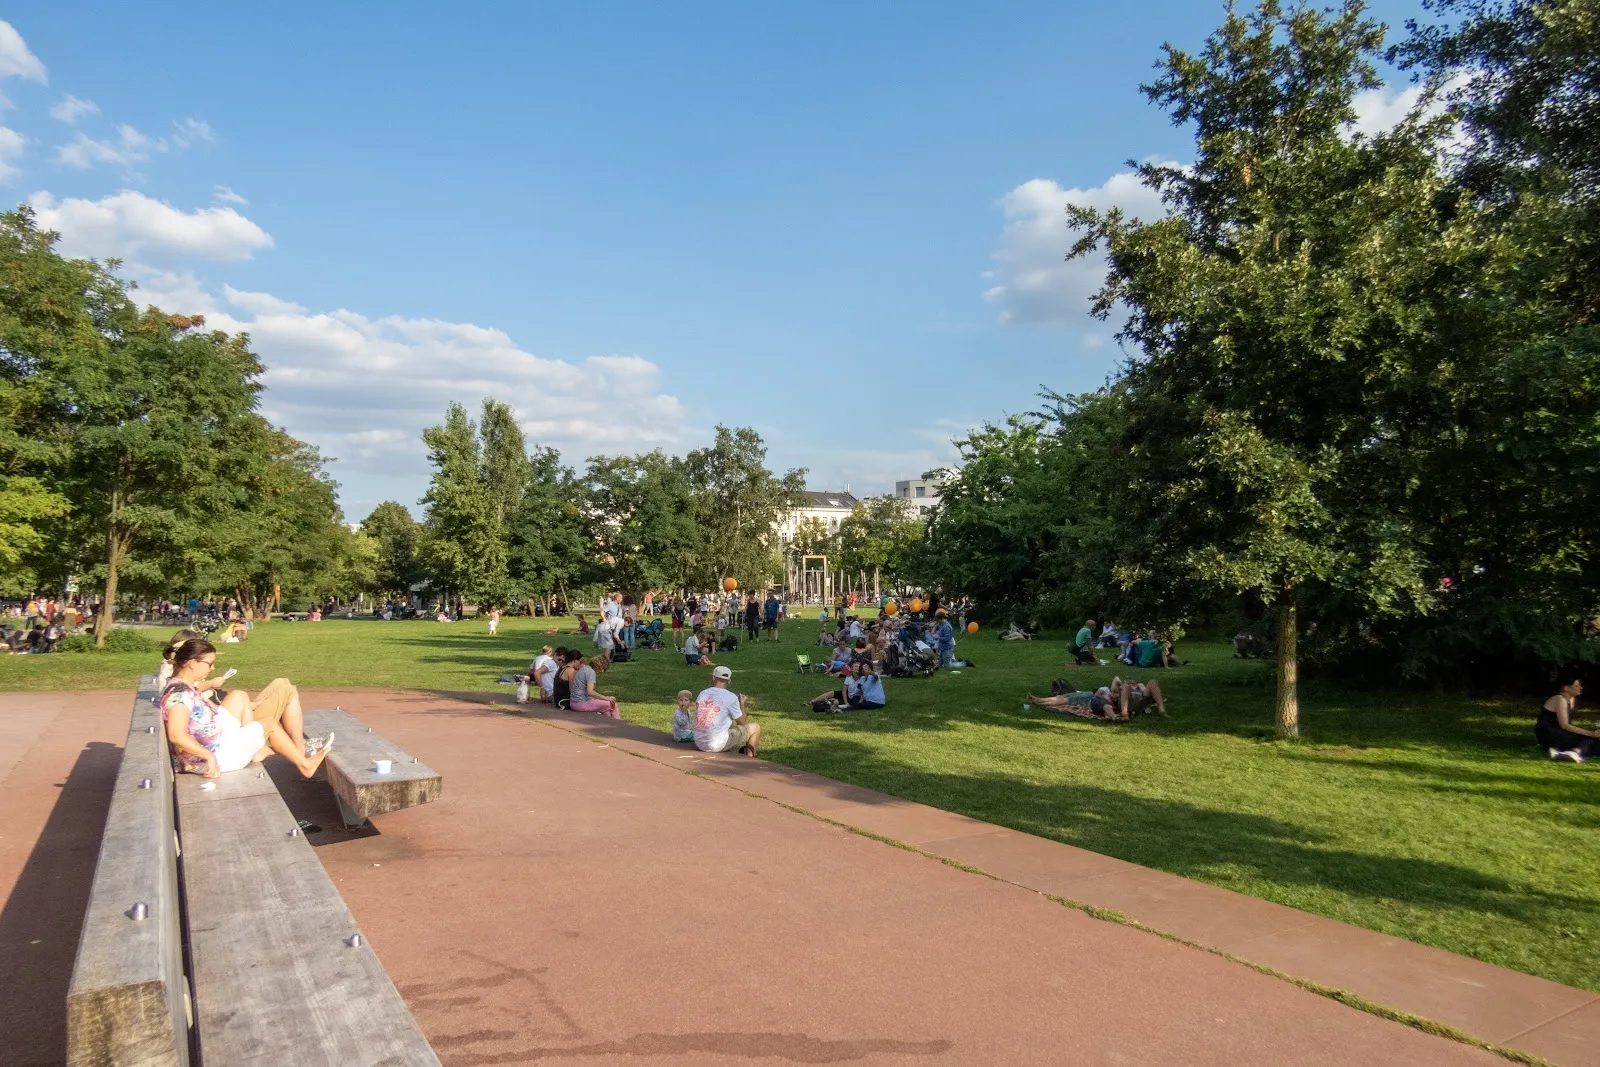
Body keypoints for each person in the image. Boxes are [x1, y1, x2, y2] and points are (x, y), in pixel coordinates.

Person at [159, 639, 331, 778]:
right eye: (209, 664)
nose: (213, 668)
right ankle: (305, 765)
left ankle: (267, 748)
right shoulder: (179, 695)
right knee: (269, 723)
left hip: (212, 746)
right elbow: (176, 734)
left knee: (240, 697)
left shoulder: (181, 686)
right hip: (212, 758)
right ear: (192, 663)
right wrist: (208, 756)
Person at [693, 665, 759, 755]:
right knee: (755, 727)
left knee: (726, 723)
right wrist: (742, 704)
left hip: (699, 742)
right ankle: (750, 759)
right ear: (729, 681)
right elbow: (742, 722)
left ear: (713, 677)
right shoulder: (731, 697)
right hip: (716, 744)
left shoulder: (703, 693)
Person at [1538, 679, 1598, 762]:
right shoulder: (1559, 699)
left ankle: (1564, 753)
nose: (1580, 687)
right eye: (1577, 686)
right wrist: (1591, 733)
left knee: (1596, 743)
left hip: (1561, 733)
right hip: (1549, 734)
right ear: (1566, 688)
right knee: (1589, 738)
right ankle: (1574, 752)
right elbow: (1564, 725)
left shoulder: (1572, 700)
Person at [809, 661, 887, 711]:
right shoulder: (850, 677)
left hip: (854, 697)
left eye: (858, 667)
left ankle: (824, 706)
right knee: (831, 693)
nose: (857, 668)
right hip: (848, 695)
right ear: (852, 669)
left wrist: (871, 672)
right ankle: (813, 701)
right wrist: (846, 702)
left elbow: (875, 677)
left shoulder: (863, 678)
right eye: (855, 666)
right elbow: (844, 690)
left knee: (836, 701)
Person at [566, 652, 619, 718]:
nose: (602, 671)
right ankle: (620, 725)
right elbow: (590, 692)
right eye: (603, 668)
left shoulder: (584, 668)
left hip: (575, 702)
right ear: (599, 665)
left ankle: (609, 724)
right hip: (581, 703)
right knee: (613, 705)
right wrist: (607, 698)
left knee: (606, 709)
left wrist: (605, 699)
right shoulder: (591, 672)